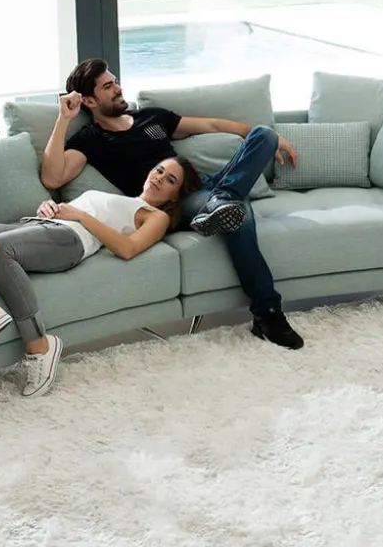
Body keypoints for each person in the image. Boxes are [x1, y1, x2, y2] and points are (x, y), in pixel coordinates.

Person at [42, 58, 306, 350]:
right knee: (238, 216)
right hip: (177, 201)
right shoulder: (91, 139)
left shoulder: (151, 117)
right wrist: (63, 119)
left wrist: (273, 139)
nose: (118, 88)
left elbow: (212, 124)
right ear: (90, 100)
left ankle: (224, 199)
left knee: (263, 134)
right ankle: (268, 312)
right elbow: (53, 177)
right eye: (108, 86)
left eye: (115, 81)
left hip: (207, 184)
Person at [0, 156, 202, 399]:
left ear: (174, 197)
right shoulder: (123, 199)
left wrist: (79, 215)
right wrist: (50, 208)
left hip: (70, 240)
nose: (159, 178)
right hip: (39, 225)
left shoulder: (156, 216)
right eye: (159, 170)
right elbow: (67, 214)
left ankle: (40, 345)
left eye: (170, 180)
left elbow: (128, 249)